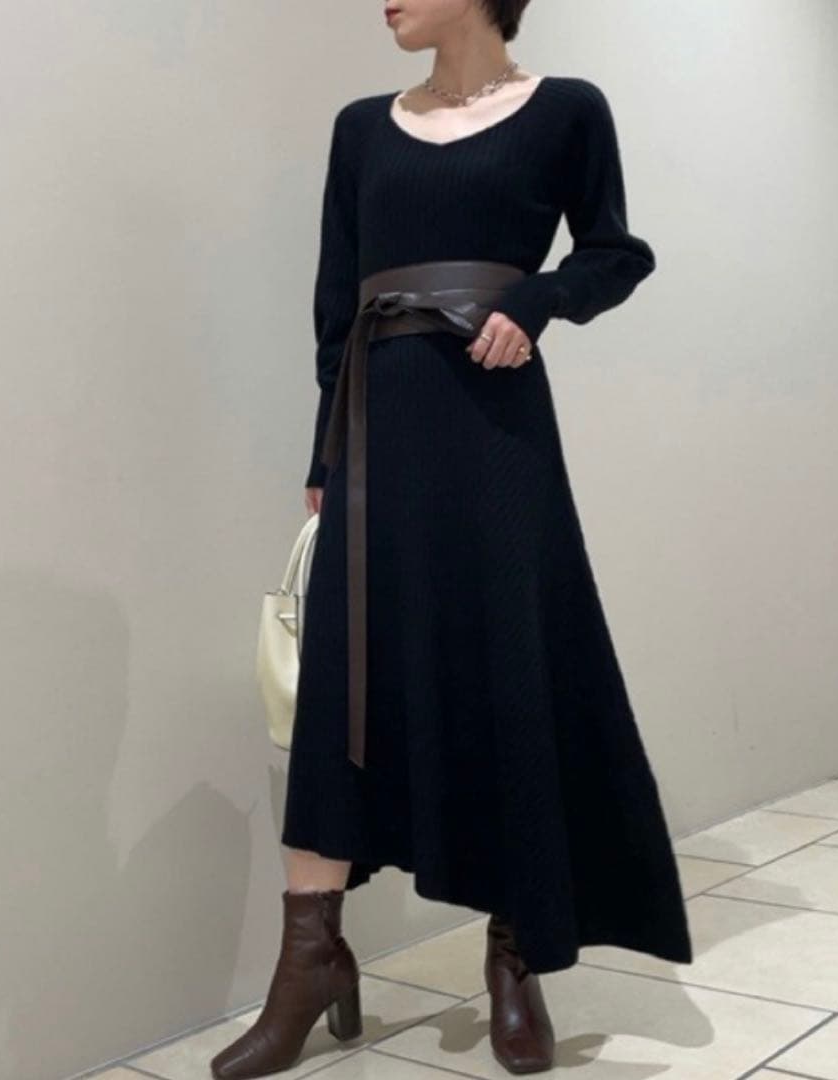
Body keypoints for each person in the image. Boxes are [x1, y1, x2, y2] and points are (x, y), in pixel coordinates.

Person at [212, 1, 693, 1076]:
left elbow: (617, 250)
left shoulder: (565, 110)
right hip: (375, 431)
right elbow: (336, 302)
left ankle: (515, 950)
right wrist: (323, 457)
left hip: (493, 427)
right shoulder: (360, 126)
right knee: (344, 688)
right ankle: (311, 959)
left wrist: (539, 299)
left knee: (507, 669)